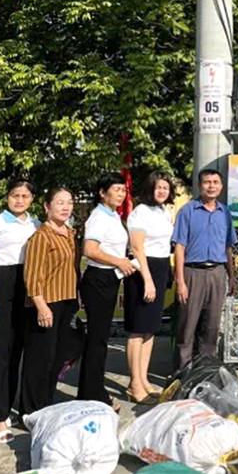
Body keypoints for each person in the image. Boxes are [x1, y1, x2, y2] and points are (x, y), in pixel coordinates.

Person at [0, 178, 38, 443]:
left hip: (26, 287)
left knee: (17, 354)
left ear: (32, 199)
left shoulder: (36, 224)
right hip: (0, 287)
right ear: (7, 197)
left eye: (25, 196)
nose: (20, 200)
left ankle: (11, 407)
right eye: (15, 195)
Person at [78, 174, 136, 407]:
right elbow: (90, 249)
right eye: (116, 189)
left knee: (99, 339)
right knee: (97, 341)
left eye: (123, 190)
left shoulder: (112, 216)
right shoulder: (98, 217)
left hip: (109, 279)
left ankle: (91, 391)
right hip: (99, 279)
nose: (121, 194)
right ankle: (93, 394)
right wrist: (118, 262)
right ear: (102, 192)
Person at [20, 187, 79, 417]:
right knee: (39, 360)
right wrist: (41, 305)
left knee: (57, 358)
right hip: (46, 303)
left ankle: (47, 402)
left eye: (69, 202)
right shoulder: (41, 237)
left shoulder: (70, 233)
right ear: (46, 206)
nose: (66, 207)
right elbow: (32, 275)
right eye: (60, 202)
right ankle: (31, 411)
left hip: (67, 301)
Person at [173, 169, 238, 369]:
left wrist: (231, 276)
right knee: (188, 325)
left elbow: (228, 247)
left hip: (217, 273)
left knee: (212, 325)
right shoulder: (188, 211)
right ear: (200, 186)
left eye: (215, 182)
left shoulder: (225, 213)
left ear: (221, 186)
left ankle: (206, 368)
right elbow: (179, 247)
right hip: (193, 273)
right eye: (207, 182)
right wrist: (181, 281)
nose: (211, 186)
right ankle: (184, 371)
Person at [124, 171, 175, 403]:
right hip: (143, 271)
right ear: (149, 188)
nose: (162, 191)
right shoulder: (140, 212)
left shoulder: (164, 212)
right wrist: (147, 280)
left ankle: (143, 380)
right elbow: (137, 248)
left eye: (165, 187)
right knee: (138, 329)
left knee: (150, 329)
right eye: (158, 187)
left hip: (161, 266)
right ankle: (134, 385)